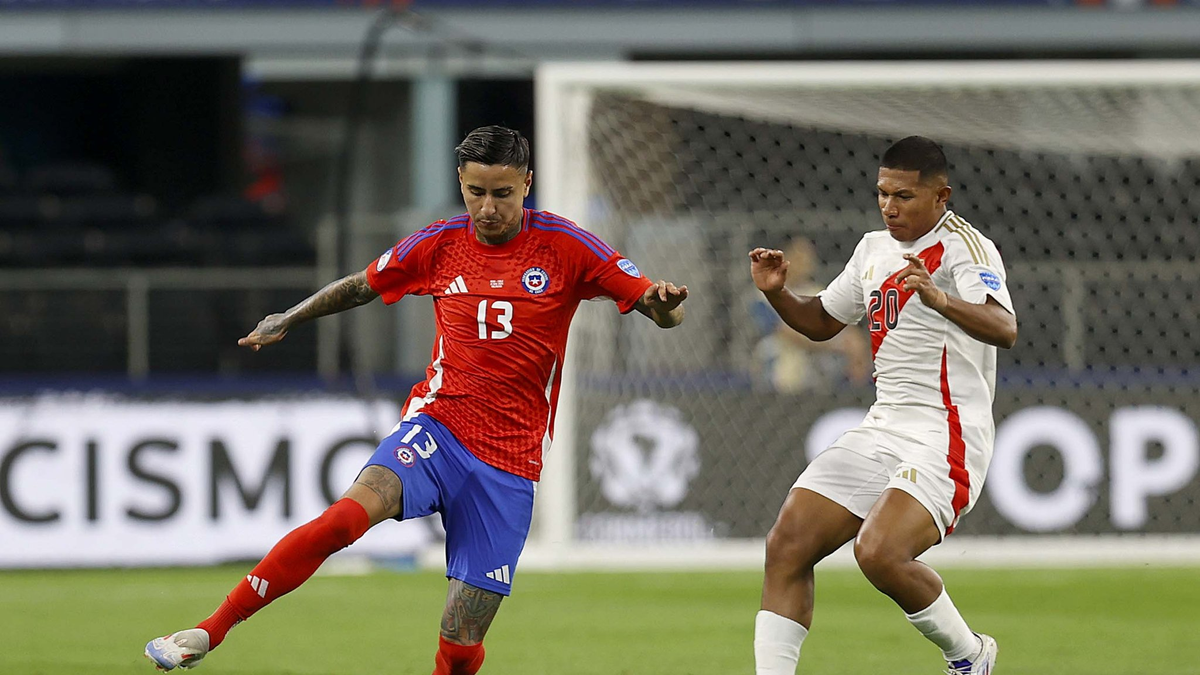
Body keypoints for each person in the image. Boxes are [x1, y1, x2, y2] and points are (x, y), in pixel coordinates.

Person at [143, 125, 688, 673]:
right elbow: (362, 284)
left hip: (509, 463)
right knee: (342, 521)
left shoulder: (568, 246)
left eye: (502, 194)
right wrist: (292, 315)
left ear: (527, 183)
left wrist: (665, 304)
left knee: (458, 644)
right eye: (476, 192)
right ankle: (208, 631)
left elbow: (656, 306)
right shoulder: (439, 244)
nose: (488, 208)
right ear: (461, 182)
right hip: (438, 428)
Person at [748, 136, 1017, 675]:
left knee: (878, 552)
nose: (890, 207)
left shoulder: (967, 247)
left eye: (905, 196)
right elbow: (824, 321)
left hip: (947, 434)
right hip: (883, 427)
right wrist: (778, 294)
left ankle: (969, 655)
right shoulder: (873, 248)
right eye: (882, 194)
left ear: (942, 196)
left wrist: (941, 299)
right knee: (787, 546)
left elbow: (1004, 327)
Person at [749, 237, 871, 393]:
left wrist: (854, 345)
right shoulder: (763, 294)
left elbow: (843, 325)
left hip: (820, 355)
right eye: (800, 256)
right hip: (782, 354)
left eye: (809, 257)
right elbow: (790, 334)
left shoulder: (818, 291)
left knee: (852, 349)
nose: (806, 262)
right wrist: (835, 345)